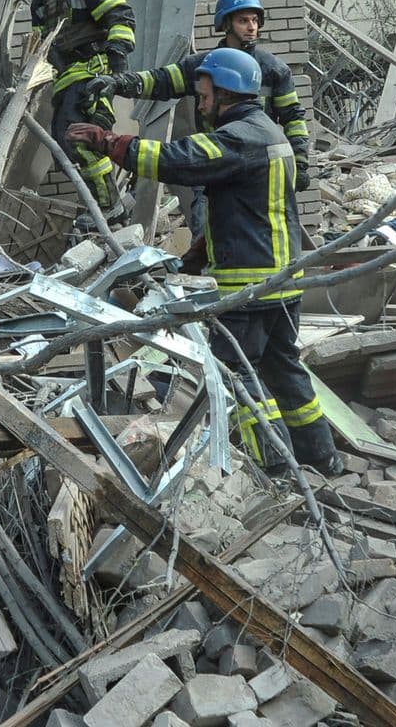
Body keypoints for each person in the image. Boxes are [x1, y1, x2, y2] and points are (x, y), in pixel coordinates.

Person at [67, 50, 342, 477]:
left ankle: (274, 468)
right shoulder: (267, 132)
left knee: (233, 375)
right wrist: (196, 256)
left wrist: (109, 142)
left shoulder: (239, 136)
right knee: (284, 371)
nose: (200, 101)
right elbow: (245, 210)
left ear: (225, 89)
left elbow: (179, 160)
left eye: (204, 92)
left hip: (250, 287)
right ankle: (320, 456)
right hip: (281, 280)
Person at [92, 0, 312, 230]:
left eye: (255, 20)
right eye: (243, 21)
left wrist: (300, 163)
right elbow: (161, 81)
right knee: (205, 227)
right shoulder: (203, 66)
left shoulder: (274, 69)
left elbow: (293, 117)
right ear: (226, 24)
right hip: (211, 163)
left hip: (256, 167)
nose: (252, 27)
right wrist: (120, 83)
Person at [24, 0, 135, 217]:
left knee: (81, 139)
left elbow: (120, 16)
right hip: (65, 82)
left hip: (93, 74)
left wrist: (118, 69)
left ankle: (110, 206)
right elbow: (41, 48)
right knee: (66, 144)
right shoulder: (39, 2)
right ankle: (105, 205)